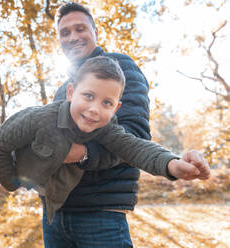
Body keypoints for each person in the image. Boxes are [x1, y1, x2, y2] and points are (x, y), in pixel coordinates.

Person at [43, 2, 209, 247]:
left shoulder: (120, 69)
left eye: (80, 29)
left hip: (99, 215)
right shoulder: (63, 91)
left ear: (95, 32)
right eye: (65, 32)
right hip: (54, 216)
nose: (73, 37)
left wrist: (170, 163)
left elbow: (133, 135)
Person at [0, 57, 210, 237]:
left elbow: (134, 147)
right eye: (88, 96)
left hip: (71, 202)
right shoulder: (38, 119)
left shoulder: (105, 127)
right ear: (70, 92)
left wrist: (172, 163)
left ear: (116, 108)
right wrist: (11, 182)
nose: (94, 109)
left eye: (107, 103)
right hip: (47, 200)